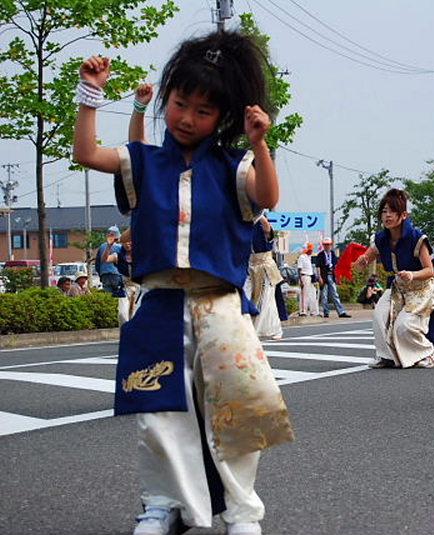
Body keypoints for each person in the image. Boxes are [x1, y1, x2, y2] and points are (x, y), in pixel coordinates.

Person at [72, 30, 294, 535]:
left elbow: (269, 196)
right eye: (179, 104)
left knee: (237, 413)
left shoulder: (235, 166)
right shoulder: (140, 161)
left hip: (220, 307)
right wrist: (91, 95)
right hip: (158, 305)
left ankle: (241, 511)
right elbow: (86, 152)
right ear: (166, 101)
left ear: (224, 117)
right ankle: (162, 504)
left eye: (203, 110)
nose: (187, 118)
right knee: (158, 414)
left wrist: (260, 143)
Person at [353, 188, 434, 369]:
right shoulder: (381, 239)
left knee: (404, 326)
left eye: (392, 211)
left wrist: (412, 274)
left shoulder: (417, 238)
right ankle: (386, 356)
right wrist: (361, 262)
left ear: (404, 215)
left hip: (422, 289)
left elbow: (430, 271)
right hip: (398, 288)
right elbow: (368, 257)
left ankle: (427, 353)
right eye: (384, 211)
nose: (387, 215)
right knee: (379, 316)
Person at [245, 214, 284, 340]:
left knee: (267, 300)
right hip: (251, 268)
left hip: (266, 268)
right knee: (247, 297)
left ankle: (274, 329)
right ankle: (249, 327)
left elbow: (267, 229)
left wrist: (259, 215)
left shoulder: (264, 229)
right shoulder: (247, 228)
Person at [316, 237, 351, 318]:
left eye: (328, 244)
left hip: (332, 275)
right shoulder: (320, 255)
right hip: (324, 276)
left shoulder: (333, 254)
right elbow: (317, 267)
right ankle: (326, 312)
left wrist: (338, 277)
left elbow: (336, 266)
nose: (327, 246)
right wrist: (319, 277)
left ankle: (341, 312)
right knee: (324, 296)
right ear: (323, 245)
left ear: (331, 245)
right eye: (325, 245)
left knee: (335, 294)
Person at [96, 225, 125, 296]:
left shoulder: (102, 246)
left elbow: (98, 263)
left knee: (108, 296)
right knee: (119, 296)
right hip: (117, 274)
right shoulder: (120, 247)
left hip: (104, 275)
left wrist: (100, 274)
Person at [297, 242, 319, 317]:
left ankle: (314, 311)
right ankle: (303, 311)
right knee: (304, 295)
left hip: (310, 277)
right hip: (304, 276)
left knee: (312, 294)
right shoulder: (302, 257)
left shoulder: (308, 257)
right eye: (310, 249)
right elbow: (299, 269)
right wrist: (300, 280)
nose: (311, 251)